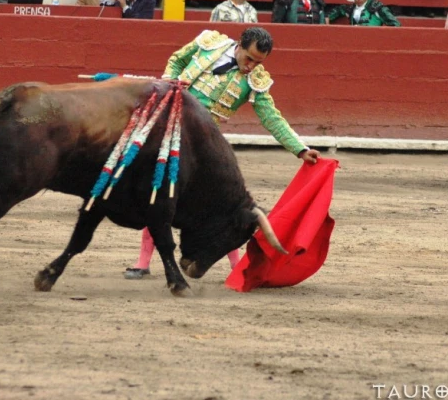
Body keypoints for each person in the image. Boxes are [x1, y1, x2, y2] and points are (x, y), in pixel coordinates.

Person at [123, 27, 322, 279]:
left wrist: (300, 148)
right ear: (239, 45)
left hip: (202, 144)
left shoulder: (255, 81)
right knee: (159, 192)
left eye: (258, 62)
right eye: (249, 59)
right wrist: (169, 81)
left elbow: (271, 117)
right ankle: (143, 262)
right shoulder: (209, 42)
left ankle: (235, 265)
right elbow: (177, 59)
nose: (251, 67)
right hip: (170, 126)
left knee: (221, 205)